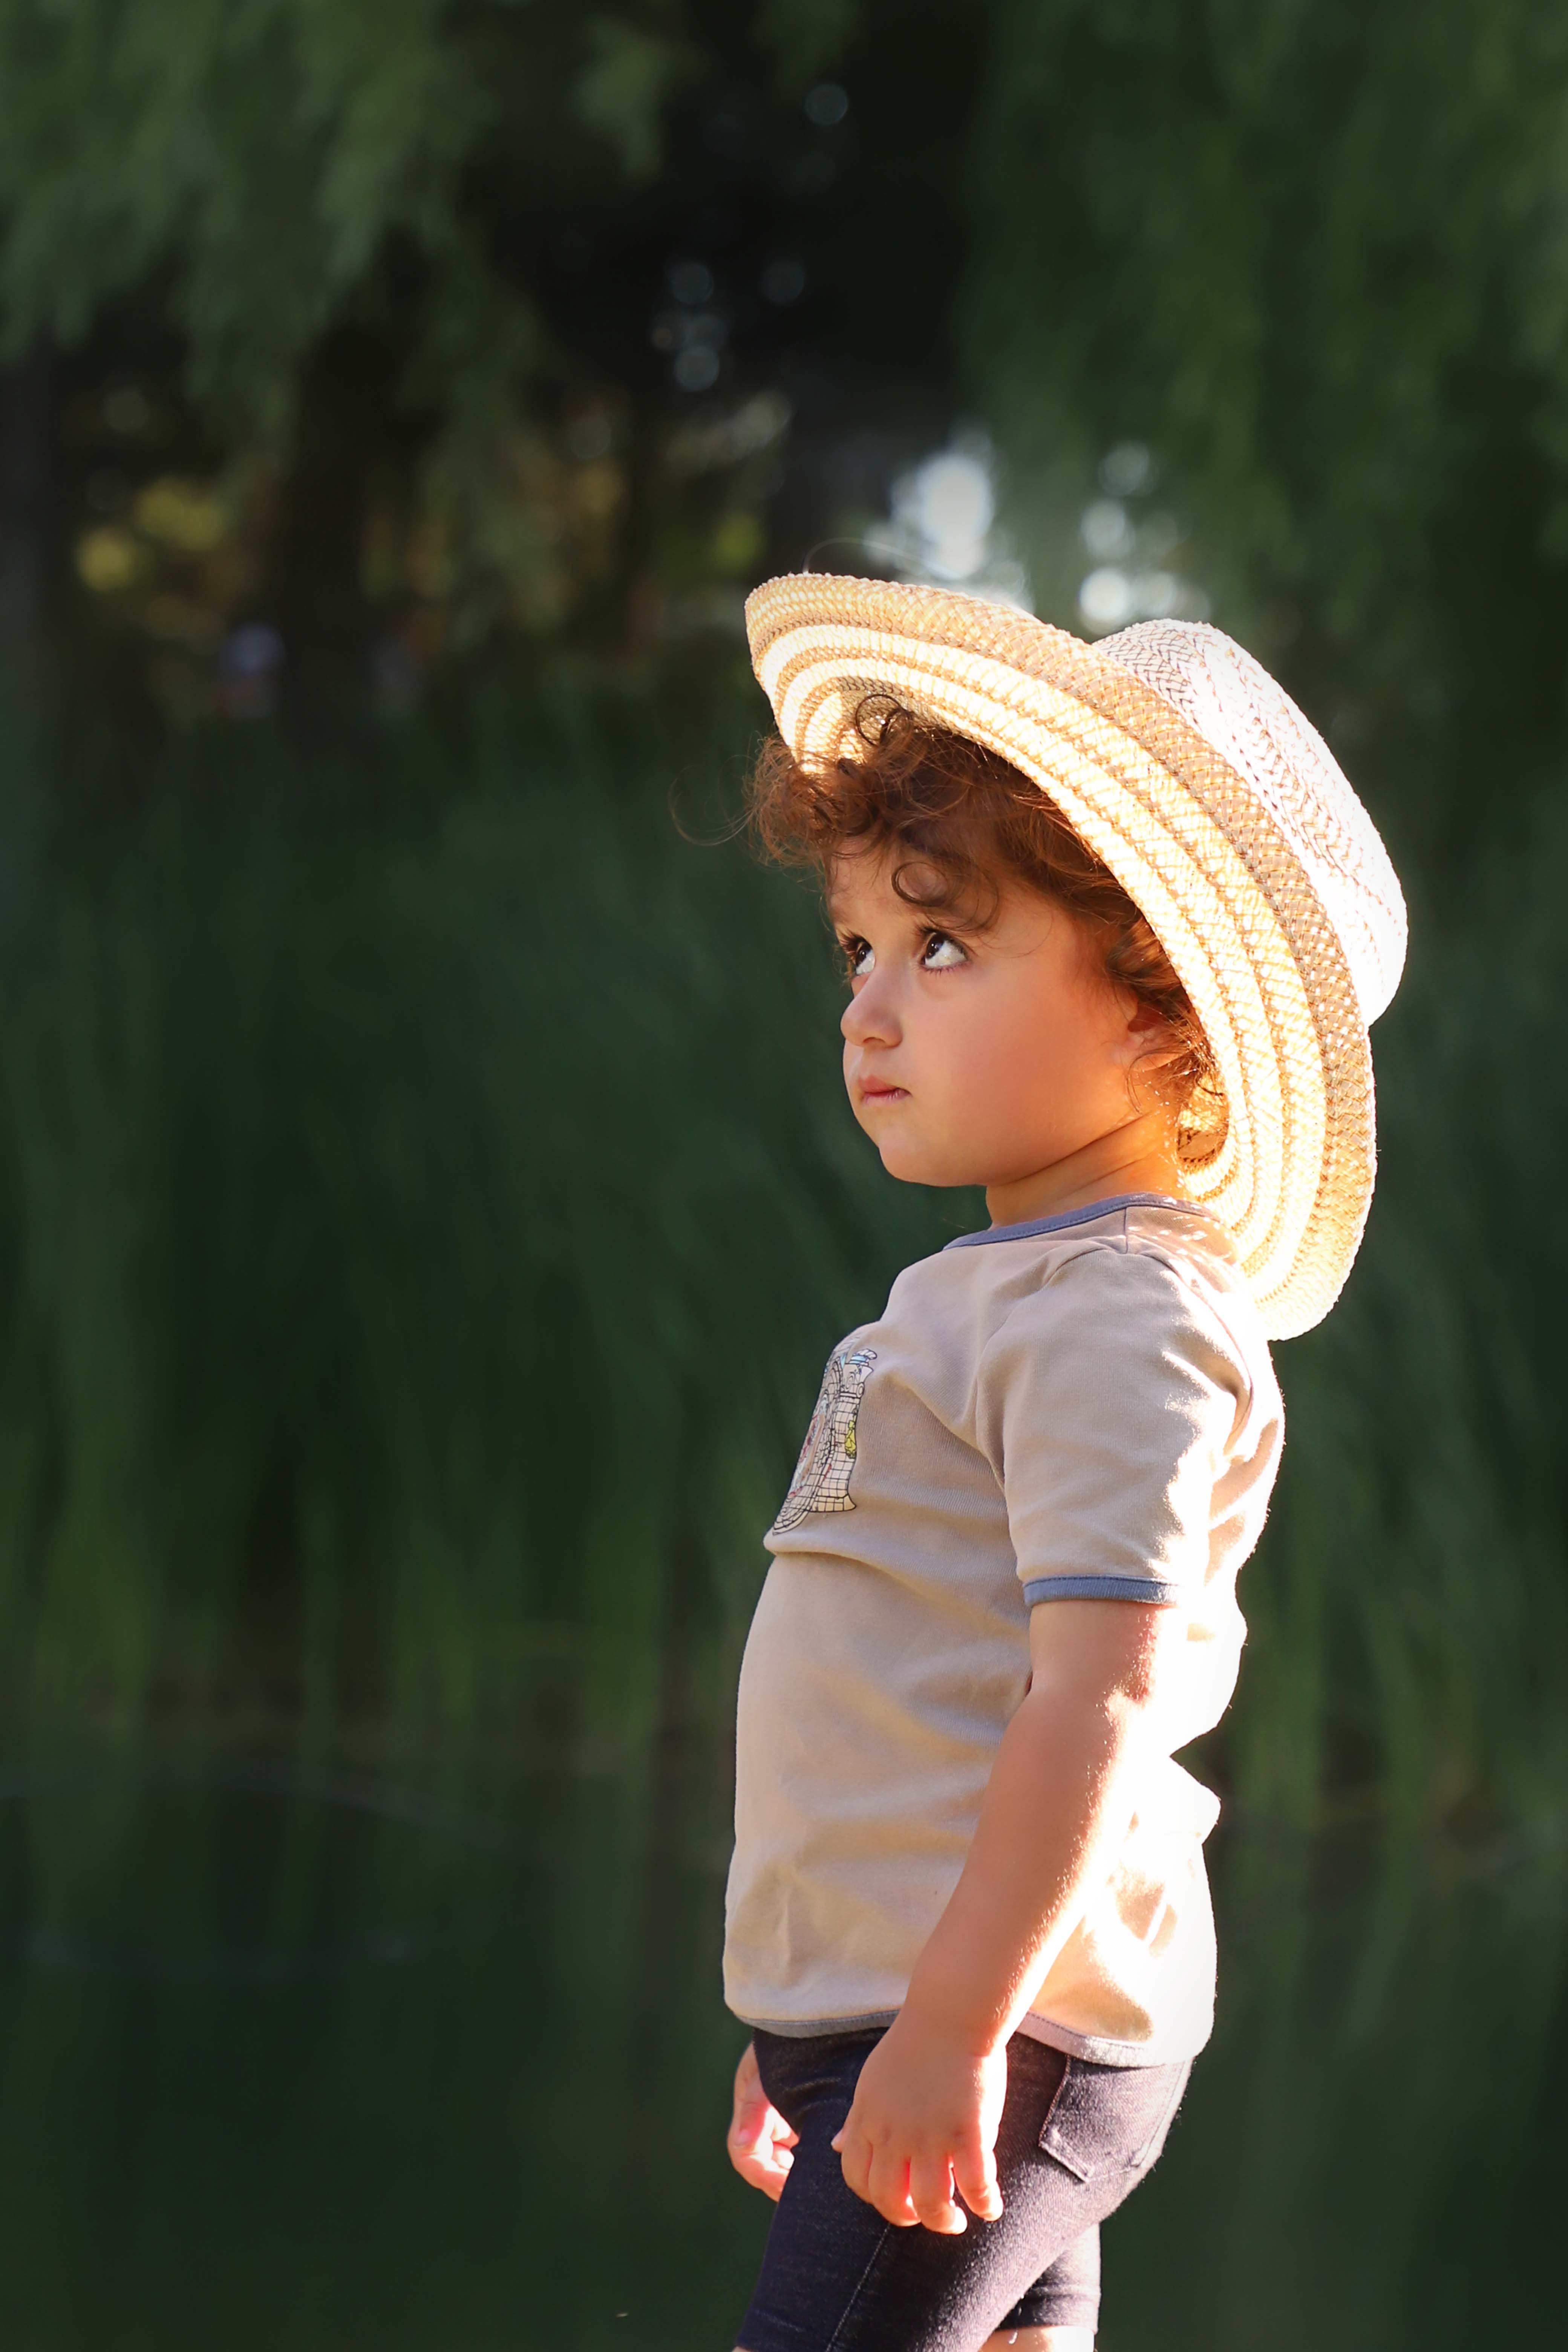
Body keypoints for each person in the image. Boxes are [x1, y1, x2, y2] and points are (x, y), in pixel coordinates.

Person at [720, 576, 1407, 2352]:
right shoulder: (995, 1285)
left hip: (999, 2024)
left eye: (942, 949)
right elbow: (904, 1690)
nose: (868, 1010)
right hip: (911, 2012)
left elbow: (1094, 1698)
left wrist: (946, 2026)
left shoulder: (1119, 1309)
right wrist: (804, 2018)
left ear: (1162, 1011)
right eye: (858, 952)